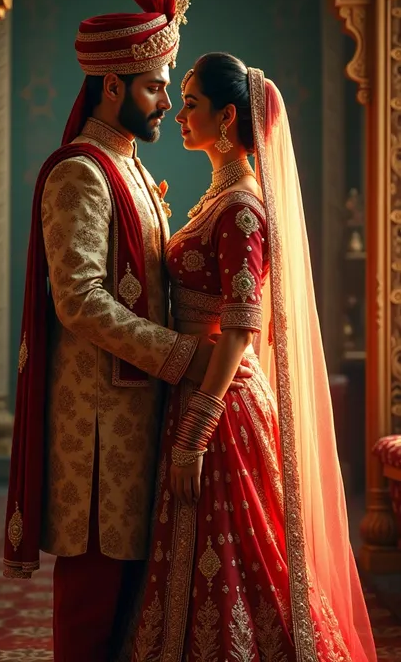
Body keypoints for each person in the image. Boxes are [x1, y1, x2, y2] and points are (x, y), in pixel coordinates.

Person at [2, 0, 252, 662]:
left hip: (143, 421)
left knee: (137, 615)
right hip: (100, 435)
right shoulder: (82, 173)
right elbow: (79, 299)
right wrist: (183, 357)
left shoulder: (132, 169)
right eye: (154, 88)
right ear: (111, 87)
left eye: (170, 89)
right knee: (93, 604)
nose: (168, 103)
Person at [128, 54, 377, 661]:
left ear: (228, 114)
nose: (178, 115)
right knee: (208, 547)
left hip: (224, 402)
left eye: (191, 104)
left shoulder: (241, 206)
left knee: (242, 554)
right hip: (200, 384)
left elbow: (240, 328)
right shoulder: (220, 198)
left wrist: (197, 430)